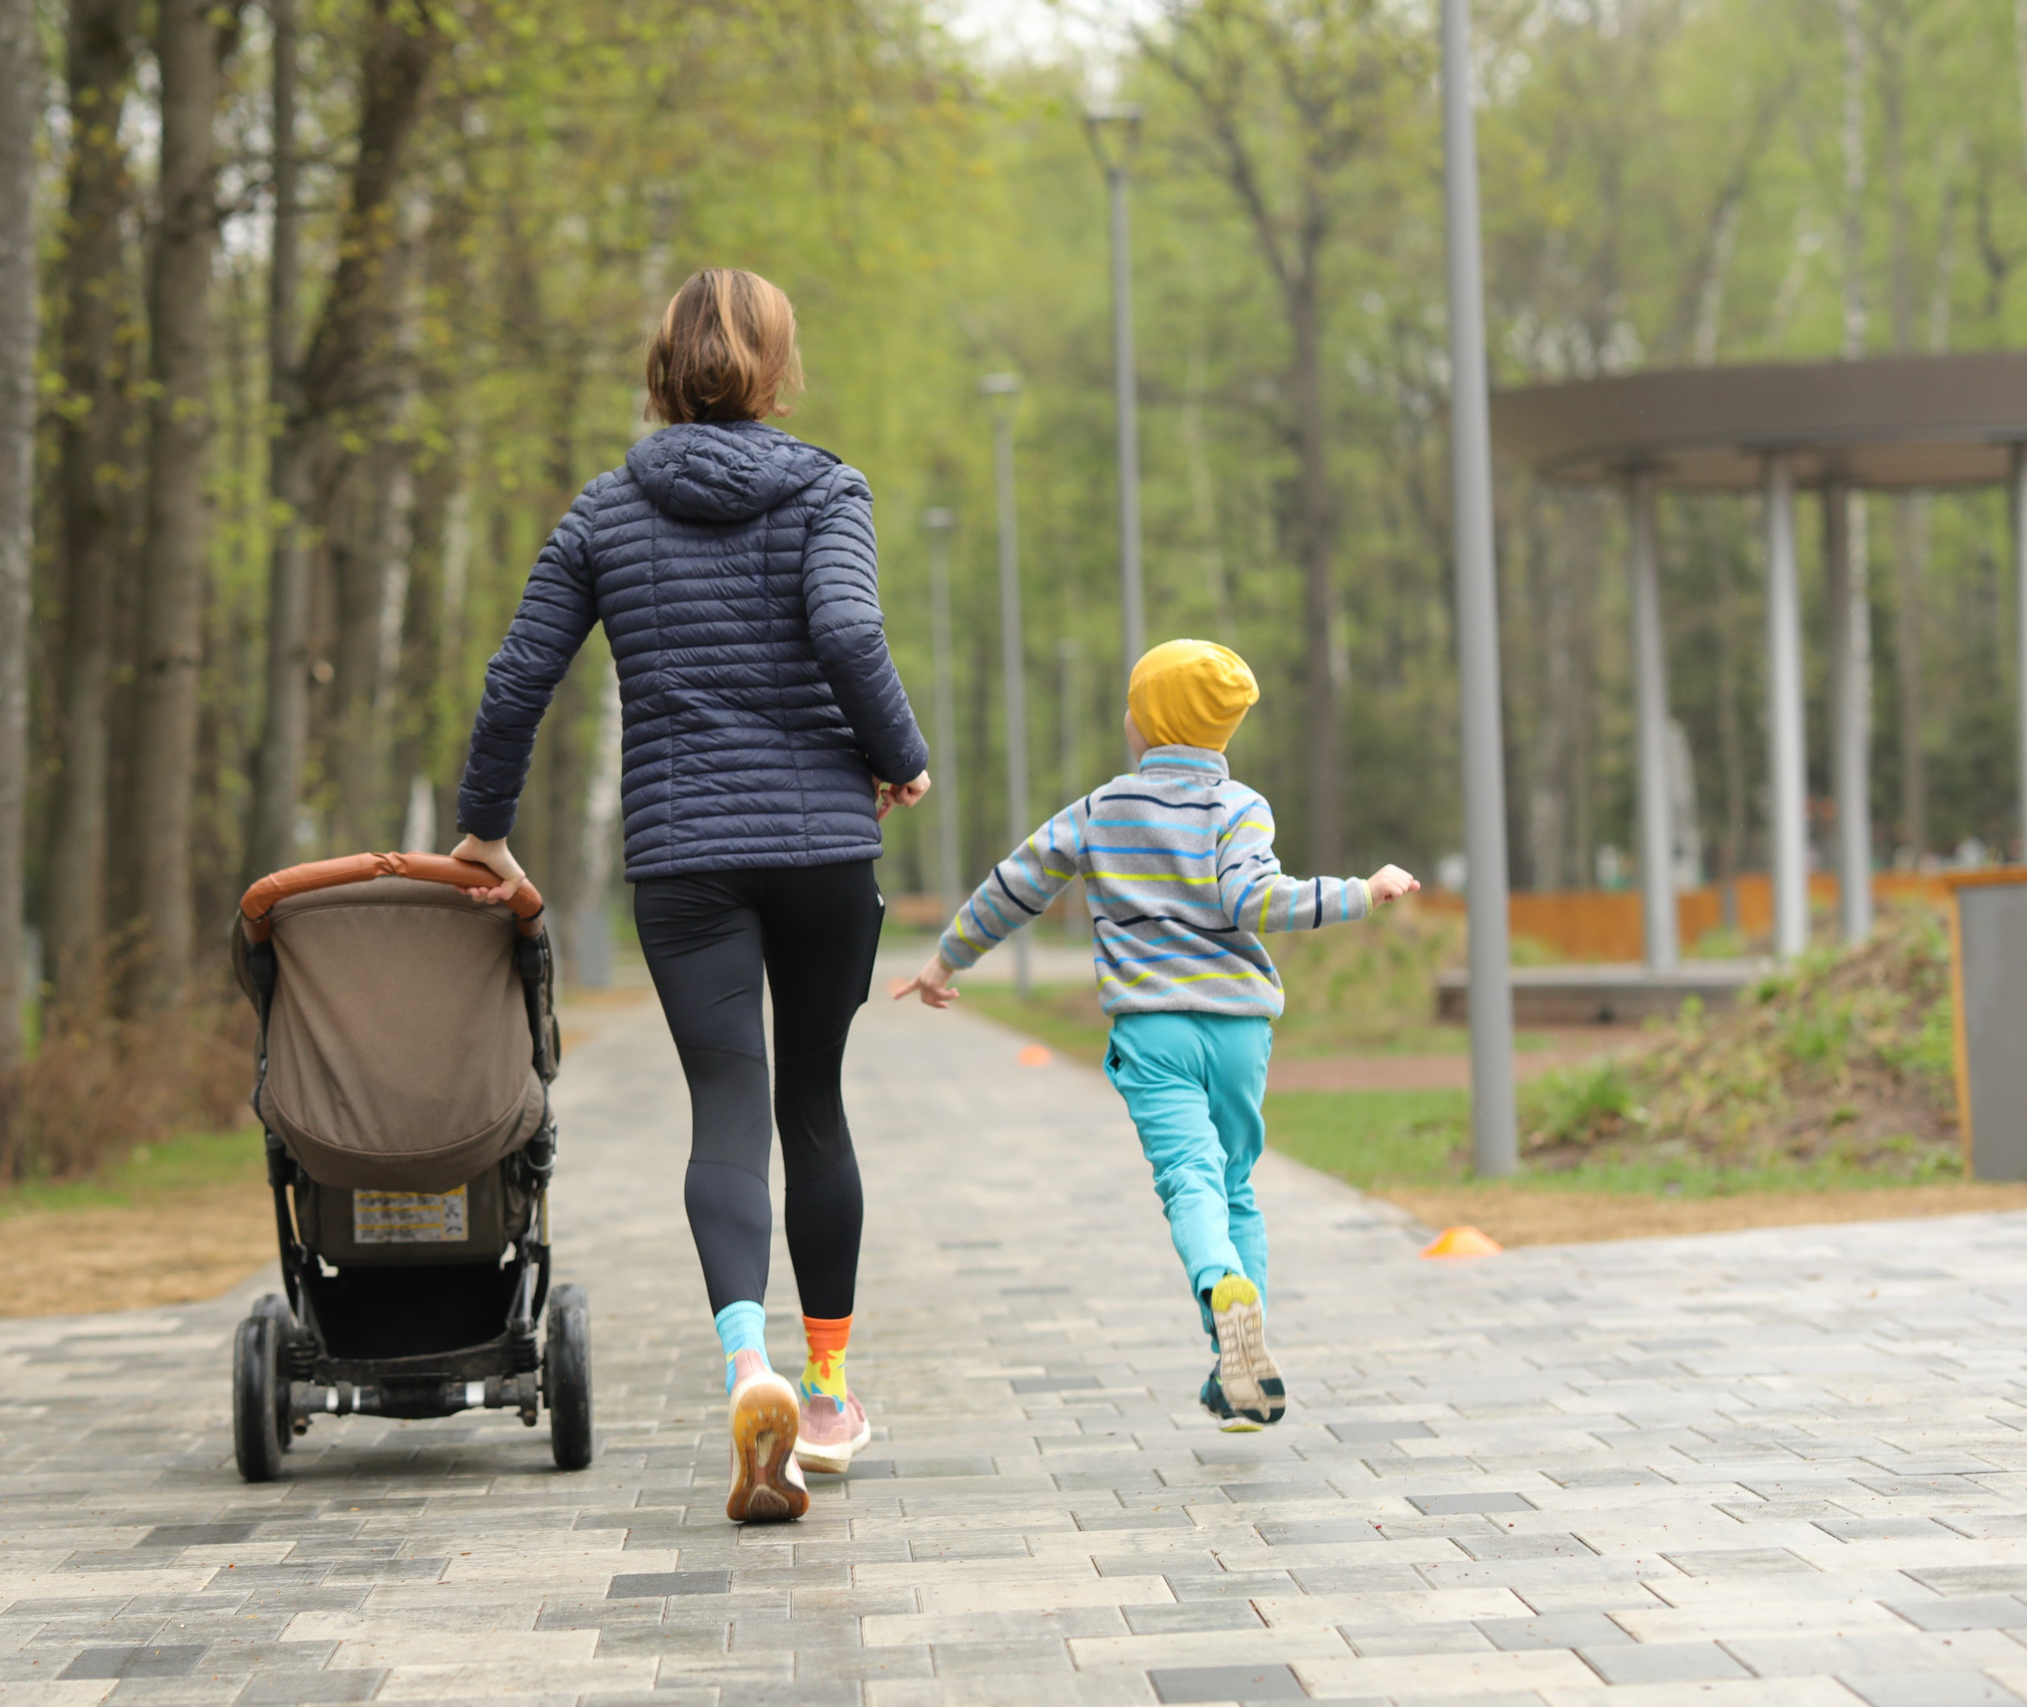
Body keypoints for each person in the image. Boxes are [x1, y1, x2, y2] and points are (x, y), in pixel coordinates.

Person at [452, 268, 929, 1522]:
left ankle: (744, 1363)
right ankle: (824, 1396)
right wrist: (901, 755)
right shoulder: (828, 486)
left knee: (728, 1110)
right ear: (775, 369)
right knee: (814, 1103)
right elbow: (844, 628)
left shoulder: (605, 510)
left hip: (682, 853)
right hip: (821, 842)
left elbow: (517, 679)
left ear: (660, 371)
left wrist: (482, 831)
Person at [894, 639, 1417, 1431]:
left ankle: (1219, 1284)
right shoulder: (1241, 807)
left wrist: (945, 958)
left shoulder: (1104, 808)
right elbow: (1257, 899)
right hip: (1240, 1029)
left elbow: (1019, 882)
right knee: (1236, 1184)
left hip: (1154, 1030)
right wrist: (1358, 892)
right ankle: (1241, 1372)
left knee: (1190, 1179)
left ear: (1144, 723)